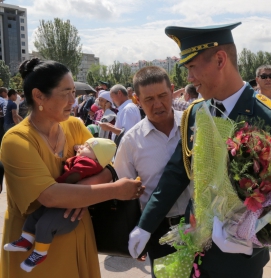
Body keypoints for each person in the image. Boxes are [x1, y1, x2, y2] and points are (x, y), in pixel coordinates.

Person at [127, 22, 271, 278]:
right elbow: (176, 173)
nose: (189, 79)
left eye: (193, 67)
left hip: (240, 258)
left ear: (220, 60)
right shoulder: (196, 112)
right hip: (193, 246)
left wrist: (251, 235)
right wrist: (145, 225)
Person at [0, 58, 144, 278]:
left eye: (73, 92)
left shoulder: (74, 125)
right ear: (39, 96)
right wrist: (114, 190)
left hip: (77, 235)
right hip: (34, 250)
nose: (73, 101)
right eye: (65, 93)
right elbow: (50, 196)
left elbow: (108, 166)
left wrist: (82, 191)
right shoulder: (16, 140)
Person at [115, 66, 191, 277]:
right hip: (160, 232)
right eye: (148, 99)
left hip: (201, 226)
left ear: (173, 90)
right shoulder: (131, 142)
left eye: (162, 96)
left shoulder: (192, 125)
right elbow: (125, 194)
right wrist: (138, 231)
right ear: (136, 99)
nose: (157, 104)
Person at [4, 138, 116, 272]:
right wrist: (80, 148)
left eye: (88, 147)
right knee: (35, 216)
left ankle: (40, 253)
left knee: (44, 224)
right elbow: (82, 148)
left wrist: (57, 185)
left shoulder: (87, 163)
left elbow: (73, 175)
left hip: (65, 204)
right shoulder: (85, 157)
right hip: (62, 201)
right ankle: (26, 239)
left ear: (97, 158)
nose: (81, 148)